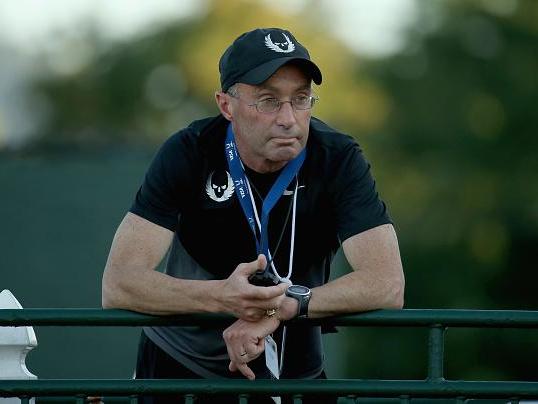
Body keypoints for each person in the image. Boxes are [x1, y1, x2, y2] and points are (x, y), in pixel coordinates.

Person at [102, 27, 404, 403]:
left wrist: (282, 306)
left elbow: (387, 283)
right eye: (268, 101)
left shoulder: (338, 157)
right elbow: (119, 283)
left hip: (297, 375)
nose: (289, 119)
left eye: (302, 99)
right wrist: (223, 298)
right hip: (183, 371)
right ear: (226, 105)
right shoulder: (189, 150)